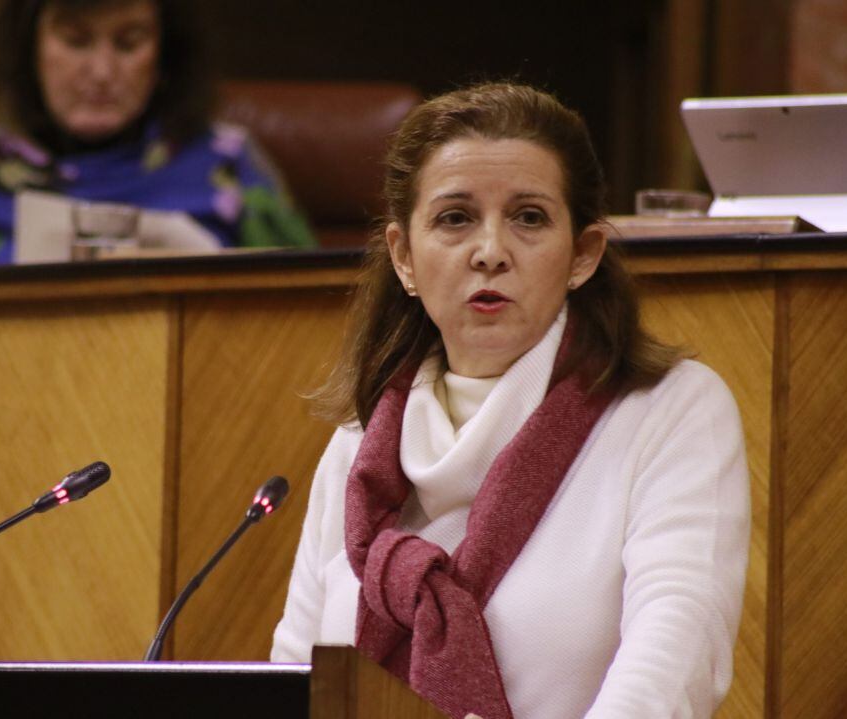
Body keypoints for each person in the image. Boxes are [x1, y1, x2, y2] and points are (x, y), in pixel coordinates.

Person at [270, 82, 750, 719]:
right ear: (404, 258)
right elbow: (295, 676)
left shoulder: (671, 410)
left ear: (583, 254)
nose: (490, 252)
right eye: (455, 218)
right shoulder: (361, 443)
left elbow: (675, 654)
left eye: (528, 218)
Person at [0, 0, 314, 272]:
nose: (101, 72)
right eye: (76, 41)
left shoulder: (228, 163)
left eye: (128, 42)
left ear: (165, 55)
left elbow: (313, 322)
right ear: (28, 49)